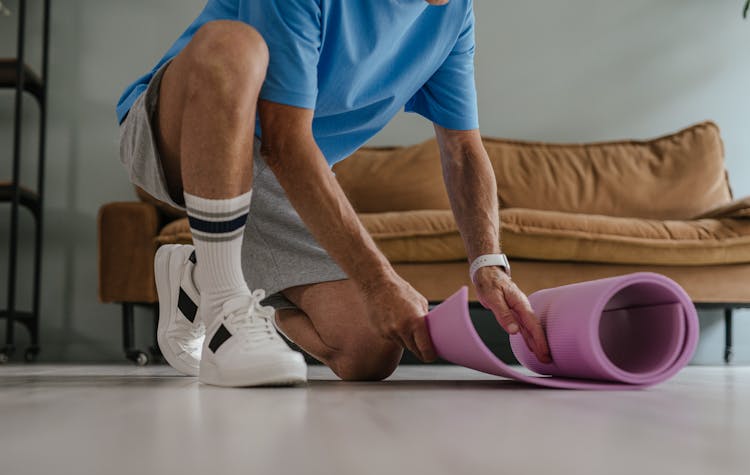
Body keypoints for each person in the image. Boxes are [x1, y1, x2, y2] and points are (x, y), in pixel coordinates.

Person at [117, 0, 551, 387]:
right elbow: (285, 142)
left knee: (369, 350)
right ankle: (225, 303)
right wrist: (378, 281)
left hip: (282, 168)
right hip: (181, 134)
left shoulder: (452, 14)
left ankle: (199, 275)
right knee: (233, 44)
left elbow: (462, 149)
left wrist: (489, 265)